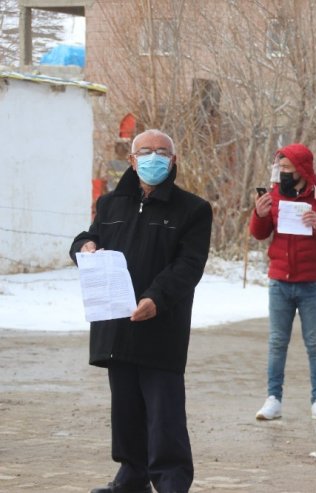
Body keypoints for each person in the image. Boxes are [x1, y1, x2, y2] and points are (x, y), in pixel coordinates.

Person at [70, 129, 213, 493]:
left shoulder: (192, 209)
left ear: (173, 160)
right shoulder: (110, 204)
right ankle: (131, 477)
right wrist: (84, 246)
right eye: (145, 151)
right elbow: (89, 238)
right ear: (132, 160)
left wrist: (156, 298)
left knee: (164, 413)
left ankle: (171, 481)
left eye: (162, 152)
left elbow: (189, 265)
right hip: (116, 322)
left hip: (160, 324)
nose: (153, 158)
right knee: (126, 410)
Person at [250, 143, 316, 422]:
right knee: (277, 342)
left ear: (302, 169)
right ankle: (273, 399)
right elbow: (259, 234)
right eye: (280, 169)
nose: (283, 174)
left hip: (312, 282)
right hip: (279, 280)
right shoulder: (274, 193)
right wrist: (260, 213)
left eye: (288, 169)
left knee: (315, 342)